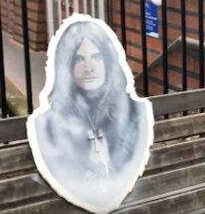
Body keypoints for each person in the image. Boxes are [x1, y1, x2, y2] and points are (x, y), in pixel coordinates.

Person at [26, 15, 153, 214]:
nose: (89, 66)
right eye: (79, 59)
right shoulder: (48, 124)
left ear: (108, 62)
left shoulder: (135, 114)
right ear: (67, 65)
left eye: (96, 57)